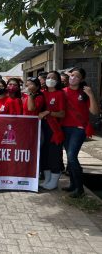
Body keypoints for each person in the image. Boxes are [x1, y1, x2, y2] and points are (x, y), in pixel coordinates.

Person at [61, 67, 99, 198]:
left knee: (71, 156)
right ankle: (73, 184)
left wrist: (91, 95)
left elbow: (94, 112)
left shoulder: (84, 93)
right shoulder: (63, 92)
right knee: (70, 157)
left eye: (77, 76)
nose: (73, 78)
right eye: (72, 75)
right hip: (65, 128)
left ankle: (80, 188)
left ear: (81, 79)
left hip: (79, 129)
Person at [38, 71, 65, 190]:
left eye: (53, 78)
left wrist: (49, 112)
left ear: (58, 81)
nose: (50, 80)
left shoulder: (60, 94)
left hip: (54, 129)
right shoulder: (42, 93)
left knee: (54, 154)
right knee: (44, 154)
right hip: (42, 127)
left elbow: (62, 113)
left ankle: (54, 180)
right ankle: (47, 179)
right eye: (48, 77)